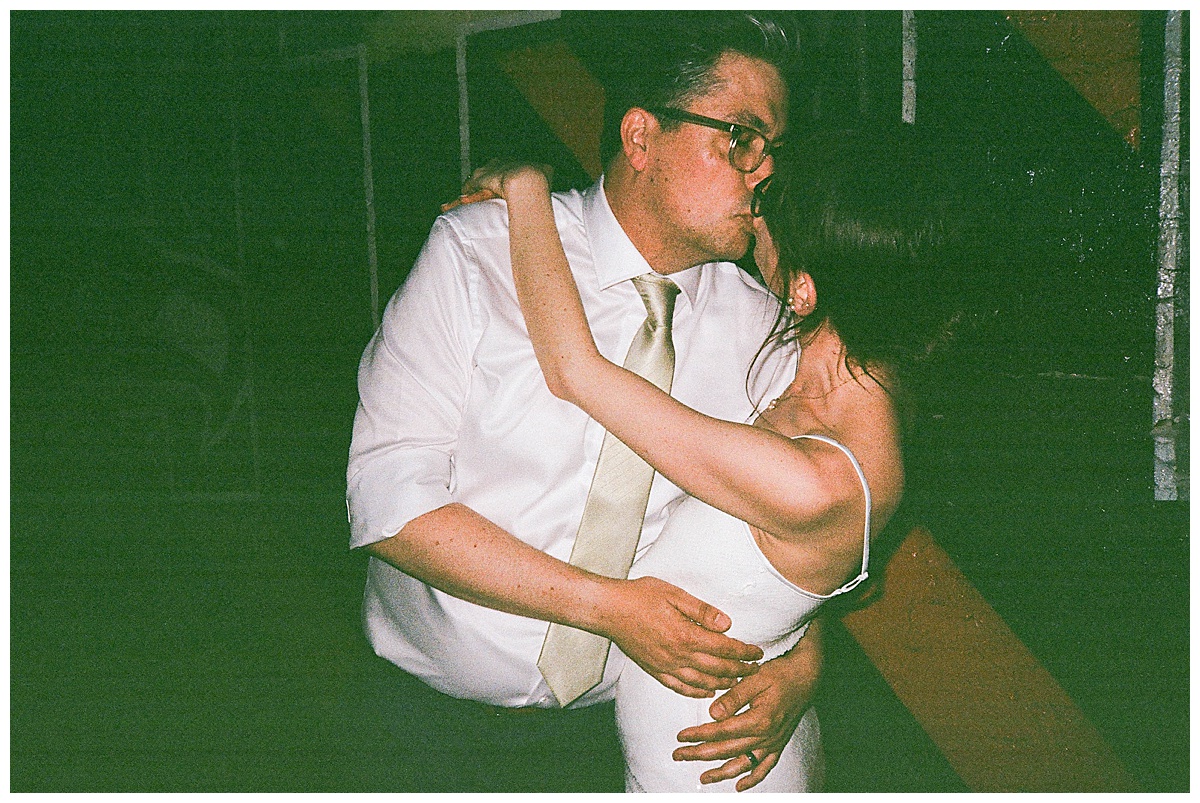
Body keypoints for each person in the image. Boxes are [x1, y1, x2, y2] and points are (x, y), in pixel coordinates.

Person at [345, 12, 821, 793]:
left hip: (624, 733)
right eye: (741, 137)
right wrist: (610, 608)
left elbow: (793, 527)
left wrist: (804, 664)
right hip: (430, 726)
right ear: (642, 138)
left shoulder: (760, 330)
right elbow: (389, 502)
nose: (763, 170)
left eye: (773, 148)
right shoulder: (479, 252)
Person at [456, 126, 962, 791]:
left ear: (805, 290)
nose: (754, 223)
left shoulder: (819, 478)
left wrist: (527, 188)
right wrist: (805, 660)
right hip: (726, 750)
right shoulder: (818, 379)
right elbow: (779, 585)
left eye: (766, 232)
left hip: (714, 781)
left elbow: (575, 370)